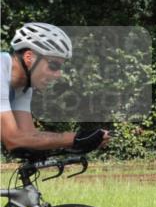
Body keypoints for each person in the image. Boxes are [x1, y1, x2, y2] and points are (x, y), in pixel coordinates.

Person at [1, 23, 109, 153]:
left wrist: (80, 142)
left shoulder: (23, 86)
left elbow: (28, 136)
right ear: (29, 58)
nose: (58, 74)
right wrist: (74, 138)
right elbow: (13, 140)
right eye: (53, 66)